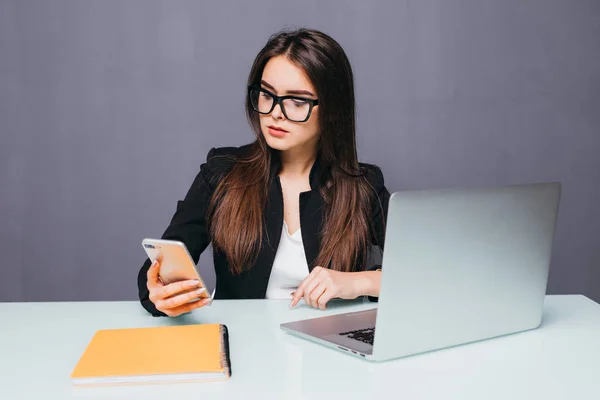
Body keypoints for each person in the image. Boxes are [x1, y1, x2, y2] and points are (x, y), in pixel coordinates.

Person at [137, 28, 390, 317]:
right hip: (244, 342)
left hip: (331, 348)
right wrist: (158, 290)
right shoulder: (222, 173)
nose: (275, 112)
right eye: (267, 95)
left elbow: (423, 275)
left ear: (332, 110)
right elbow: (159, 265)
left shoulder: (362, 187)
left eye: (297, 101)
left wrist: (357, 281)